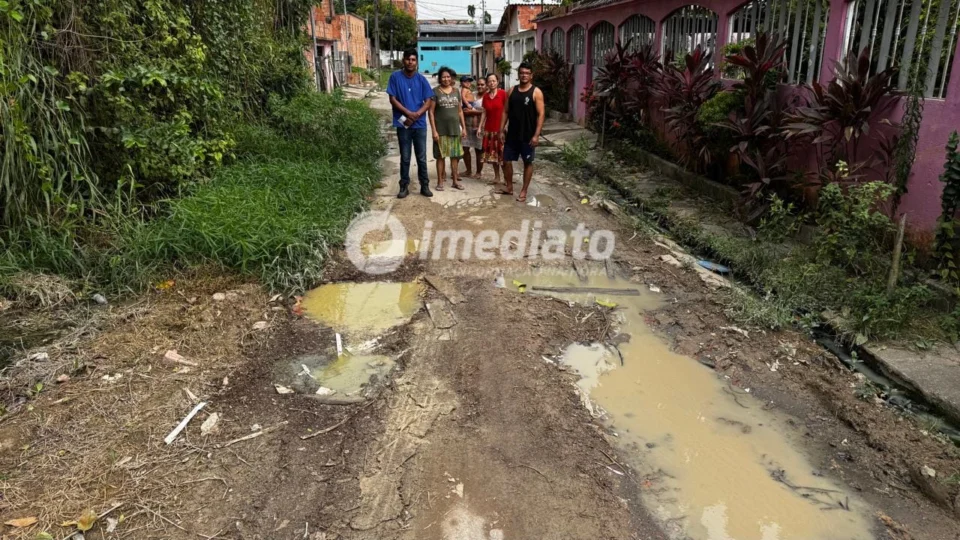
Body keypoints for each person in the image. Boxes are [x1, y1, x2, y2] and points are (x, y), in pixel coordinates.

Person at [386, 49, 434, 198]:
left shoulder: (421, 80)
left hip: (419, 125)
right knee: (405, 157)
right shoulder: (395, 77)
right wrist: (408, 113)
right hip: (403, 124)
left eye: (413, 60)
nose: (410, 62)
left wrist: (417, 114)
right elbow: (392, 99)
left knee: (421, 157)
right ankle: (403, 186)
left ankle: (424, 185)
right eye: (408, 59)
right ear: (403, 60)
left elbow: (429, 101)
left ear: (416, 62)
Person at [500, 62, 545, 203]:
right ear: (518, 74)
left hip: (528, 135)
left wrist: (537, 135)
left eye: (527, 73)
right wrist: (501, 129)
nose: (524, 75)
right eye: (522, 73)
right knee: (506, 160)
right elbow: (505, 111)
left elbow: (541, 114)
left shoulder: (536, 92)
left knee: (527, 162)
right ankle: (509, 186)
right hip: (512, 133)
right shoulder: (512, 90)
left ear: (531, 75)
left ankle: (524, 190)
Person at [428, 67, 467, 191]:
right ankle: (440, 182)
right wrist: (434, 130)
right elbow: (431, 112)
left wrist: (464, 128)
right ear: (440, 78)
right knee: (440, 157)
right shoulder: (435, 92)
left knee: (455, 157)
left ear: (452, 78)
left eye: (448, 77)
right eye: (444, 77)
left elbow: (460, 111)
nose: (446, 79)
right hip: (441, 131)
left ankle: (455, 181)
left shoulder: (456, 91)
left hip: (455, 130)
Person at [477, 73, 506, 187]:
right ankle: (497, 177)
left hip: (500, 129)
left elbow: (507, 111)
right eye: (489, 81)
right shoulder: (486, 96)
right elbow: (484, 112)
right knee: (493, 155)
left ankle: (507, 177)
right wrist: (480, 126)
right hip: (489, 129)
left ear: (497, 82)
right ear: (487, 84)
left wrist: (505, 127)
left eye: (494, 81)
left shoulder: (503, 94)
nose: (491, 83)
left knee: (503, 154)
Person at [459, 75, 482, 179]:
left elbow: (485, 111)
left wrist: (473, 111)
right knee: (465, 148)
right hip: (466, 124)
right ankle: (468, 170)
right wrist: (468, 105)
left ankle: (478, 172)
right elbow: (461, 107)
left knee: (479, 149)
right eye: (479, 84)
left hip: (478, 125)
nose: (468, 83)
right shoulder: (465, 91)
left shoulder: (486, 96)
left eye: (482, 84)